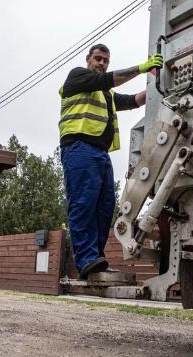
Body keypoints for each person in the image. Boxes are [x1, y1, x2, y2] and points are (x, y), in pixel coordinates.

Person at [58, 43, 163, 279]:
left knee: (104, 207)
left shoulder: (105, 94)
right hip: (79, 149)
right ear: (88, 59)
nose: (101, 64)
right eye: (98, 59)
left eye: (105, 60)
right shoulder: (77, 77)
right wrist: (141, 68)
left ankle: (95, 259)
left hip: (100, 154)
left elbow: (132, 100)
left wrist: (157, 85)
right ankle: (85, 260)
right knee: (83, 204)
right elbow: (110, 80)